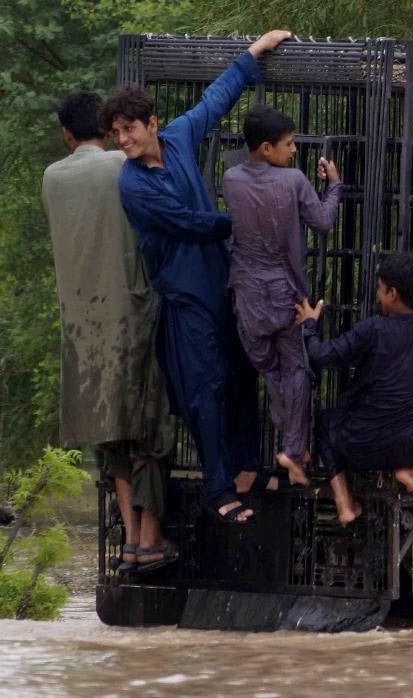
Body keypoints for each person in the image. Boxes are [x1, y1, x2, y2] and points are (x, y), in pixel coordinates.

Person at [100, 29, 292, 524]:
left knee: (244, 371)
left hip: (221, 282)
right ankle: (218, 486)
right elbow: (191, 224)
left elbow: (213, 102)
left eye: (128, 130)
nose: (122, 140)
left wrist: (251, 55)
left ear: (152, 123)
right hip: (184, 297)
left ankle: (248, 469)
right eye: (116, 134)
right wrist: (249, 219)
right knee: (203, 390)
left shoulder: (180, 137)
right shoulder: (132, 184)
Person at [41, 91, 178, 572]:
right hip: (134, 314)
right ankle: (149, 537)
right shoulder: (124, 165)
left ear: (66, 134)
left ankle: (128, 545)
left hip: (81, 328)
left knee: (111, 435)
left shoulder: (52, 177)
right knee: (150, 428)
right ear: (109, 126)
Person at [295, 253, 413, 525]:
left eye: (379, 288)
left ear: (392, 293)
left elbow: (320, 356)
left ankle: (344, 502)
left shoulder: (372, 328)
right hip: (409, 445)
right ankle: (411, 470)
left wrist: (309, 324)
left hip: (358, 445)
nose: (377, 295)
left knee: (326, 422)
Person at [223, 105, 342, 488]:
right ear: (266, 147)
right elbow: (323, 223)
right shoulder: (293, 180)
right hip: (285, 295)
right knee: (296, 370)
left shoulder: (230, 179)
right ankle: (293, 449)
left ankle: (291, 447)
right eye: (288, 144)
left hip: (247, 297)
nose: (294, 150)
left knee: (271, 370)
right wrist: (333, 185)